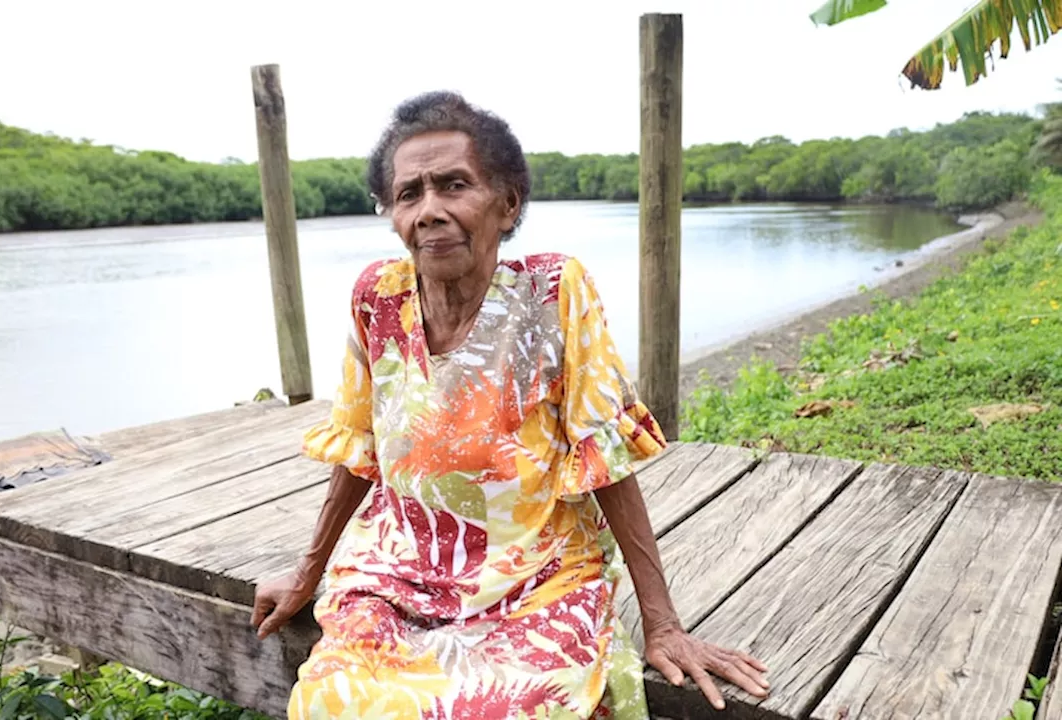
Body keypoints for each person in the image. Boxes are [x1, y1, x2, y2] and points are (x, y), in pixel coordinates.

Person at [250, 91, 769, 720]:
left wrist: (662, 624)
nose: (430, 210)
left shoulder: (552, 295)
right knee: (334, 699)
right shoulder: (376, 298)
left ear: (508, 204)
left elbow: (604, 456)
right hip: (397, 570)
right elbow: (360, 447)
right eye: (409, 194)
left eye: (454, 186)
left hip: (533, 573)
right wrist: (306, 573)